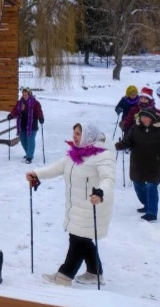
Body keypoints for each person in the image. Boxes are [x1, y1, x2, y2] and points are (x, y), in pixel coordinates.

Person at [27, 123, 115, 286]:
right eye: (74, 133)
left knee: (78, 240)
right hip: (76, 206)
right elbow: (56, 168)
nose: (75, 136)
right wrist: (36, 173)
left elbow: (108, 179)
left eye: (79, 133)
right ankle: (94, 273)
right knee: (82, 238)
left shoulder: (103, 156)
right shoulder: (75, 154)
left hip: (93, 204)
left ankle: (64, 276)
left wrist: (101, 193)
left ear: (89, 136)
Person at [116, 107, 160, 223]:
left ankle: (151, 213)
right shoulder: (135, 128)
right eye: (141, 117)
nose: (143, 119)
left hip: (155, 163)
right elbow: (127, 141)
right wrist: (119, 145)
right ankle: (147, 204)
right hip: (138, 162)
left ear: (152, 118)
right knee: (137, 184)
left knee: (151, 186)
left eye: (145, 117)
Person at [7, 87, 45, 164]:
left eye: (26, 94)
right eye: (23, 94)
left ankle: (29, 157)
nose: (24, 96)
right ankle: (28, 152)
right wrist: (11, 115)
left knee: (30, 140)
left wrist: (41, 117)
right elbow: (15, 110)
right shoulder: (20, 103)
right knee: (23, 140)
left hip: (32, 126)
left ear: (29, 94)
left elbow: (39, 111)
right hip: (22, 125)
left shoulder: (35, 103)